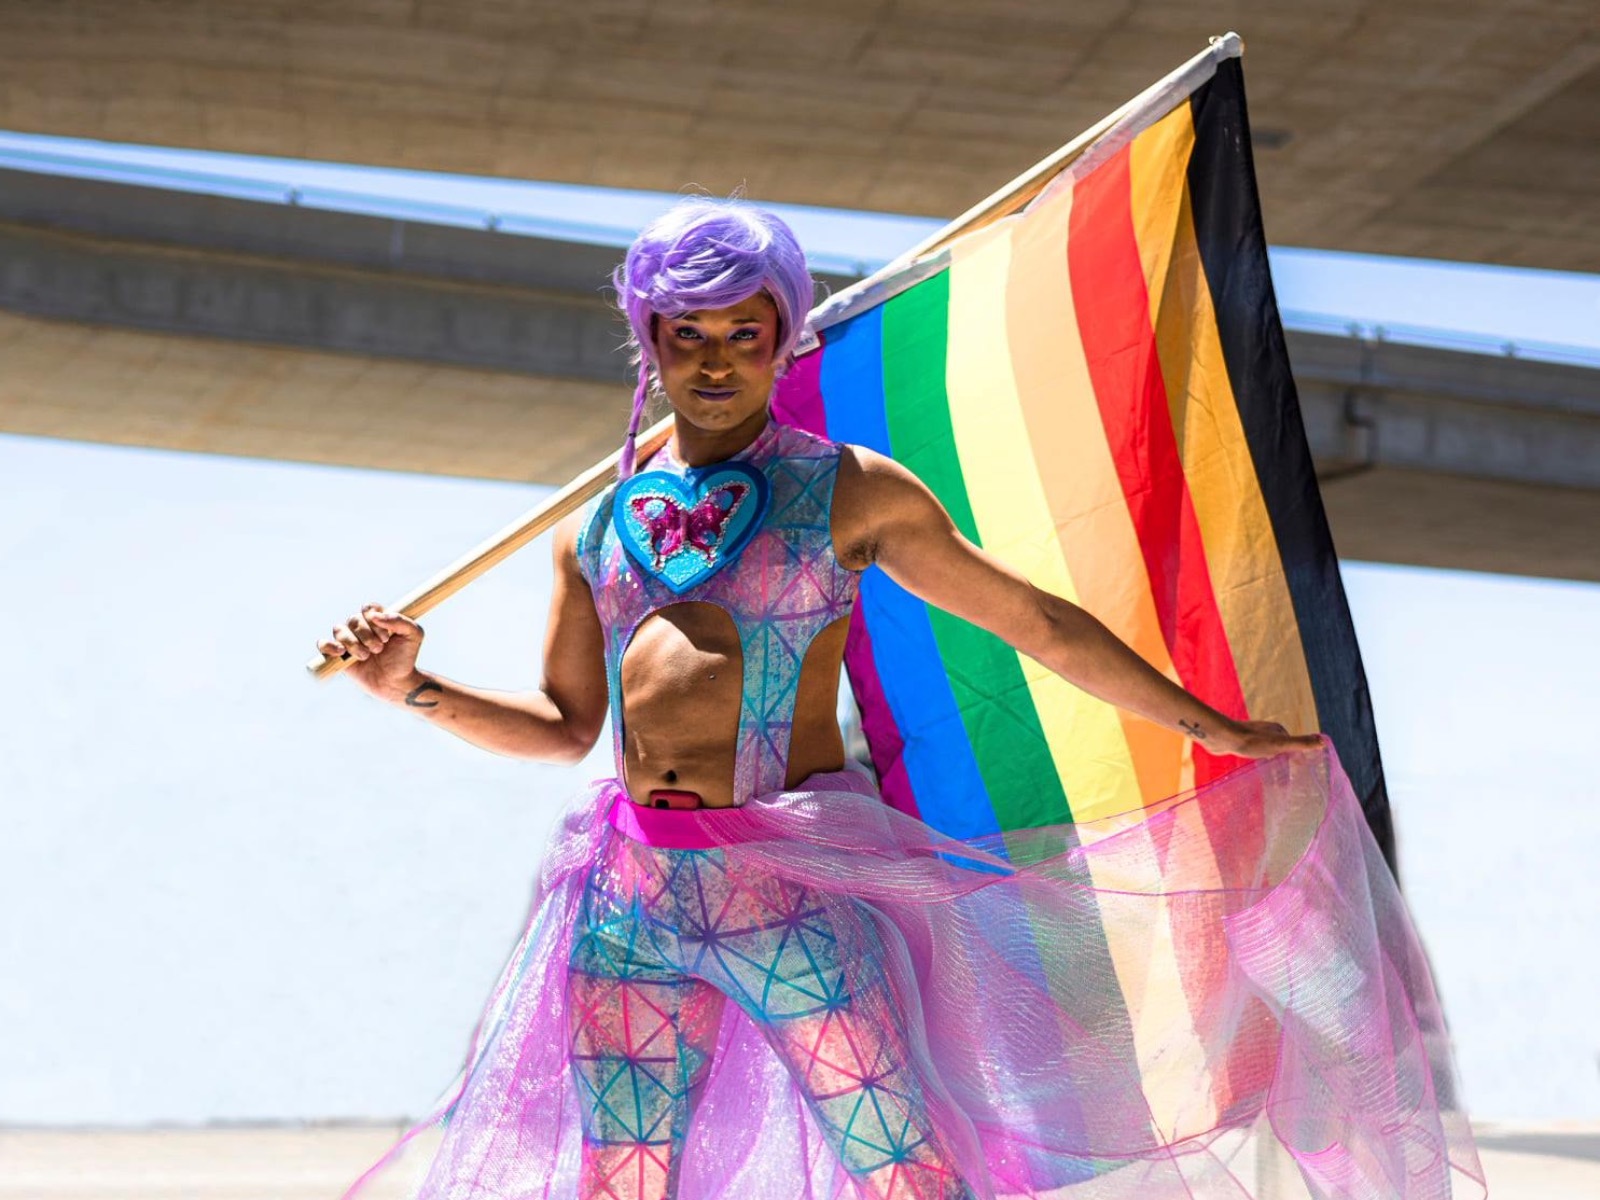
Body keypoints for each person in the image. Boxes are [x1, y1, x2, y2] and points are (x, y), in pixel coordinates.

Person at [323, 201, 1476, 1200]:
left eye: (744, 333)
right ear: (650, 343)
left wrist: (1209, 726)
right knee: (622, 1175)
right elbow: (567, 728)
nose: (716, 360)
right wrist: (410, 684)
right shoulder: (600, 527)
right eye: (688, 337)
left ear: (783, 338)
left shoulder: (848, 492)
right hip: (631, 896)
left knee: (902, 1166)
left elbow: (1035, 621)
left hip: (789, 885)